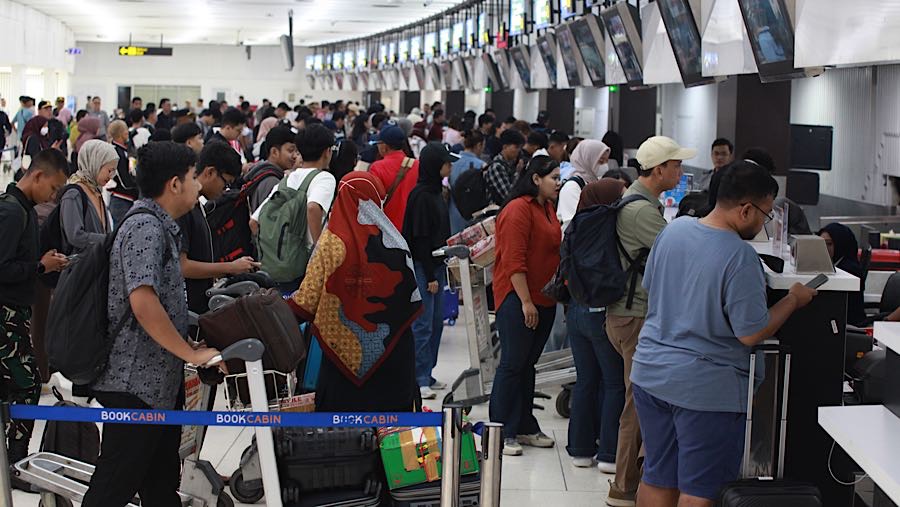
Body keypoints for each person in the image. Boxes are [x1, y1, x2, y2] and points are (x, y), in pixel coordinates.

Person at [631, 162, 817, 507]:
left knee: (657, 475)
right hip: (706, 390)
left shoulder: (674, 231)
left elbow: (652, 288)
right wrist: (793, 299)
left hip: (651, 374)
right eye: (765, 214)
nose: (763, 223)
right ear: (746, 209)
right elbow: (751, 332)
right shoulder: (739, 257)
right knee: (699, 490)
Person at [82, 141, 220, 506]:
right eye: (193, 177)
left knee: (160, 483)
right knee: (114, 485)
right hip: (135, 383)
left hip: (156, 382)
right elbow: (143, 302)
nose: (198, 185)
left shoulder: (160, 226)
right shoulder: (145, 228)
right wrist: (190, 353)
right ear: (174, 184)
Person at [605, 136, 696, 507]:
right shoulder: (642, 211)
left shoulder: (640, 202)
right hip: (635, 316)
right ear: (659, 170)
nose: (681, 171)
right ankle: (624, 486)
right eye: (676, 165)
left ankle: (633, 477)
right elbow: (679, 255)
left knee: (640, 400)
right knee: (638, 405)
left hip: (628, 314)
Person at [286, 172, 419, 412]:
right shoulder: (396, 240)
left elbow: (306, 302)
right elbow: (411, 299)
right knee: (392, 424)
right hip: (394, 351)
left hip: (341, 355)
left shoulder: (330, 243)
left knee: (344, 425)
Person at [0, 149, 69, 484]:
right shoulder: (12, 212)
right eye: (53, 188)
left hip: (15, 313)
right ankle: (16, 463)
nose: (53, 196)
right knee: (26, 386)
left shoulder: (22, 210)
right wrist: (41, 266)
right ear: (38, 175)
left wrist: (42, 263)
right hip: (6, 315)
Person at [489, 156, 562, 456]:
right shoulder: (518, 209)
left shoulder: (547, 207)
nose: (558, 183)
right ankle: (500, 431)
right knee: (512, 363)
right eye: (553, 177)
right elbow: (513, 260)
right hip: (517, 298)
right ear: (535, 179)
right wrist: (526, 302)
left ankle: (524, 425)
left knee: (527, 364)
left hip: (544, 298)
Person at [566, 178, 627, 472]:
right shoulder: (611, 226)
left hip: (575, 310)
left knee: (585, 381)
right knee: (614, 383)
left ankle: (580, 451)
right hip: (601, 311)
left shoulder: (575, 225)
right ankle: (609, 454)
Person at [251, 124, 337, 293]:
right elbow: (313, 207)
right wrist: (319, 250)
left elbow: (253, 222)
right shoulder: (324, 178)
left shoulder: (287, 179)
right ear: (327, 151)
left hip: (272, 269)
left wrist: (274, 254)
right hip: (303, 266)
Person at [403, 143, 458, 401]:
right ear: (435, 166)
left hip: (436, 264)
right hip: (424, 266)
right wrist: (431, 276)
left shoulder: (437, 192)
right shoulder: (422, 196)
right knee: (423, 325)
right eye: (446, 163)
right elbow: (421, 239)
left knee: (436, 323)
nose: (450, 167)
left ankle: (428, 372)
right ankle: (418, 378)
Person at [180, 141, 259, 314]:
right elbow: (183, 266)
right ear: (210, 172)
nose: (225, 190)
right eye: (226, 183)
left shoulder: (197, 205)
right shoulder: (183, 209)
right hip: (188, 309)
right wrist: (230, 267)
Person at [60, 139, 118, 254]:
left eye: (114, 172)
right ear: (95, 164)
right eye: (109, 170)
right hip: (81, 263)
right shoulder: (74, 194)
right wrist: (108, 240)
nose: (111, 176)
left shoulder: (96, 190)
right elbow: (75, 236)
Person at [369, 124, 420, 230]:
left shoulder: (377, 167)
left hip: (387, 227)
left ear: (385, 146)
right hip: (411, 226)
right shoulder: (417, 165)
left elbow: (372, 202)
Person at [819, 223, 866, 326]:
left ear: (841, 245)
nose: (824, 248)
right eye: (821, 243)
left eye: (829, 244)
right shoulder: (834, 265)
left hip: (849, 326)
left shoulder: (849, 271)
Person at [557, 140, 611, 230]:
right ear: (587, 160)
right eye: (601, 161)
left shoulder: (595, 183)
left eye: (607, 161)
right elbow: (574, 223)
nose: (605, 166)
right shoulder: (572, 187)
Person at [247, 125, 299, 214]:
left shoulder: (262, 172)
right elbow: (270, 218)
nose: (295, 156)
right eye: (290, 150)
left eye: (296, 151)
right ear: (274, 152)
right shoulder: (271, 181)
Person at [449, 130, 487, 234]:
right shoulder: (482, 166)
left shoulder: (451, 163)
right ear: (479, 145)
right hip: (474, 217)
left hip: (453, 216)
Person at [108, 120, 139, 225]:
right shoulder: (117, 153)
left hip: (126, 199)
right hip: (121, 199)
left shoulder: (124, 150)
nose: (128, 133)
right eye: (126, 130)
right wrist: (137, 185)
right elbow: (125, 180)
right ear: (121, 133)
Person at [484, 129, 526, 206]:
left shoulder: (510, 164)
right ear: (505, 147)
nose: (519, 151)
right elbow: (508, 196)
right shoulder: (497, 167)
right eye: (516, 147)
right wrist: (518, 173)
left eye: (520, 148)